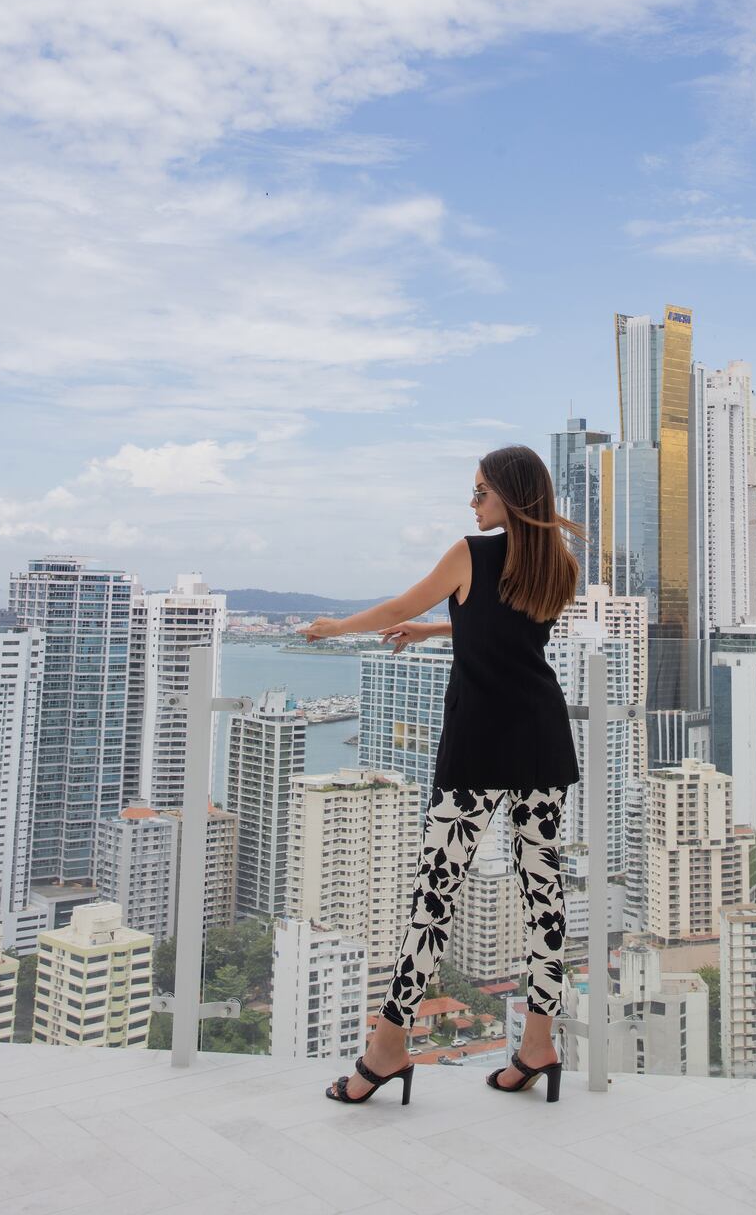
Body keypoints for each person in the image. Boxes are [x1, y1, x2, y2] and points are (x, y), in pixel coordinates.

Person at [303, 443, 583, 1106]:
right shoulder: (558, 566)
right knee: (546, 901)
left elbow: (399, 601)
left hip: (479, 745)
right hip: (542, 741)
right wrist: (433, 632)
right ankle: (540, 1044)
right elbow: (502, 632)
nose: (473, 501)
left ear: (508, 496)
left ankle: (387, 1049)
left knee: (432, 901)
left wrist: (337, 627)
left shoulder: (470, 553)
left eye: (481, 489)